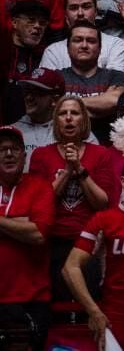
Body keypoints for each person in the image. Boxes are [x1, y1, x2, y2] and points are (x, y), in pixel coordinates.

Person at [63, 158, 124, 351]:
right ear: (123, 181)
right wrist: (93, 311)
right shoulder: (104, 220)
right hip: (115, 319)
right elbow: (69, 268)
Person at [27, 94, 118, 300]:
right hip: (52, 241)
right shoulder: (41, 155)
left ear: (84, 120)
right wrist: (67, 171)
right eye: (62, 113)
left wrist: (79, 168)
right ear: (55, 120)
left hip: (88, 242)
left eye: (74, 113)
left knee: (88, 304)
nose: (68, 118)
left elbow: (102, 203)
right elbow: (38, 204)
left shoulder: (100, 154)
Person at [0, 124, 54, 349]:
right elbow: (28, 229)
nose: (9, 154)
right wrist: (19, 222)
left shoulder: (40, 188)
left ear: (24, 154)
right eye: (2, 149)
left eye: (14, 148)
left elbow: (38, 233)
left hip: (32, 299)